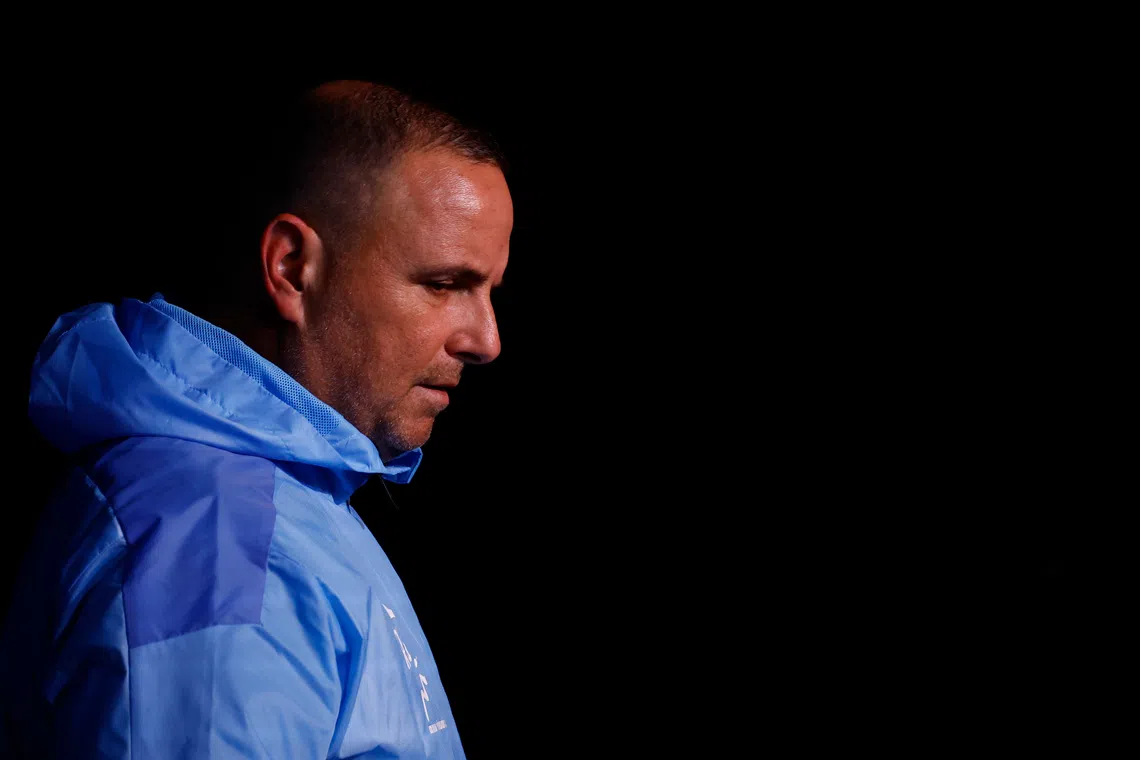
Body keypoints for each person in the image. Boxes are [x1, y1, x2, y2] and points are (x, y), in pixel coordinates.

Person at [1, 80, 511, 758]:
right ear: (292, 267)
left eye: (488, 291)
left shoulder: (280, 507)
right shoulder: (217, 541)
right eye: (445, 284)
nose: (486, 340)